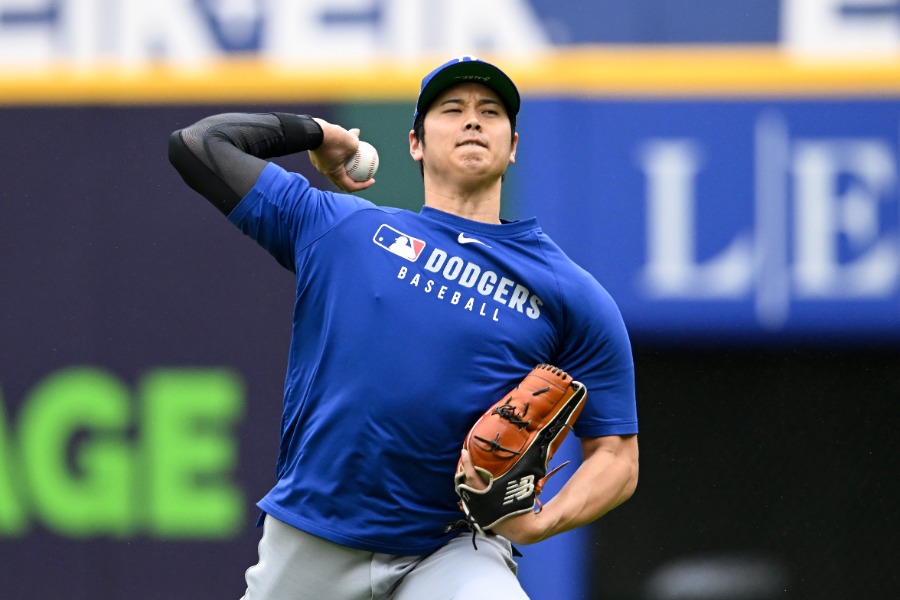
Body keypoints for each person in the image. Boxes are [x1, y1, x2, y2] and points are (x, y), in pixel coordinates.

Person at [168, 55, 639, 599]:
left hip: (452, 547)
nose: (472, 120)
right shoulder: (340, 228)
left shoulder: (569, 294)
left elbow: (617, 456)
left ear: (513, 147)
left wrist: (540, 522)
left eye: (491, 111)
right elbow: (199, 145)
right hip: (313, 538)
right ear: (414, 142)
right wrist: (318, 134)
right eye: (452, 108)